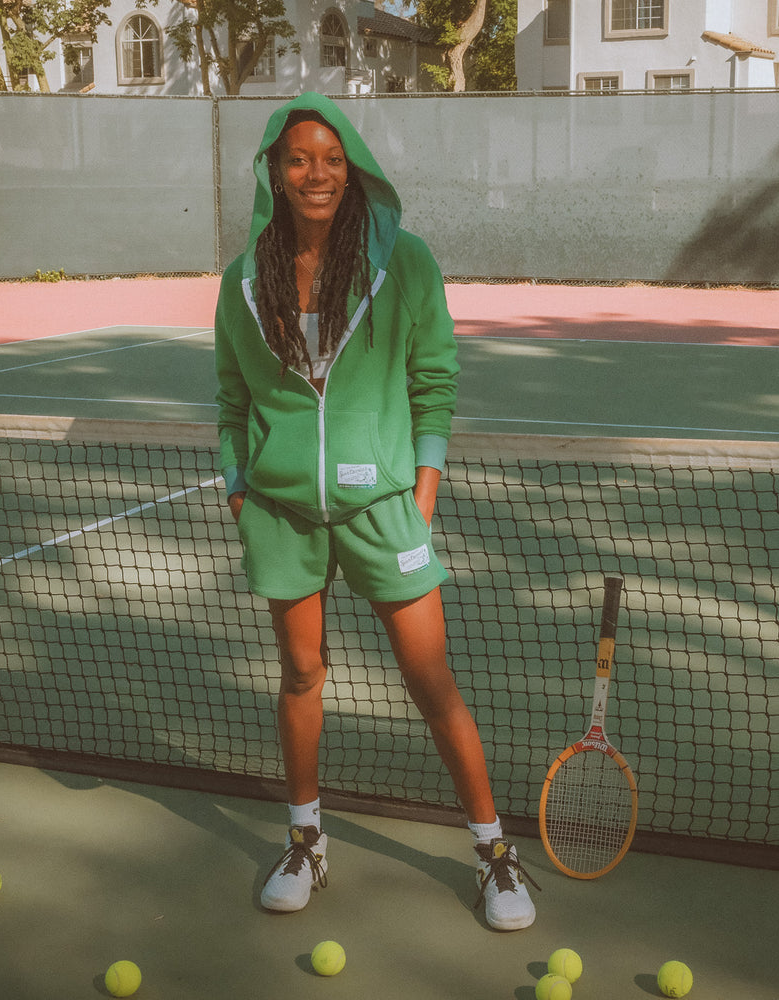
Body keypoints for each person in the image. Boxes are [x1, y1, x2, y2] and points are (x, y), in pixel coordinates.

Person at [213, 92, 538, 932]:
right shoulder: (245, 277)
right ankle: (306, 839)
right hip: (282, 511)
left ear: (351, 166)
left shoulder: (405, 262)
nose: (315, 173)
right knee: (300, 677)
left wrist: (423, 492)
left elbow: (435, 380)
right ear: (273, 173)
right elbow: (230, 394)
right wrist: (238, 481)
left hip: (386, 510)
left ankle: (495, 854)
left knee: (431, 682)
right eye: (297, 160)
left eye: (330, 158)